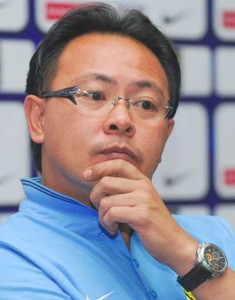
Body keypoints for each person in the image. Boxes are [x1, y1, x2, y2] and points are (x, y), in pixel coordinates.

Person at [0, 3, 234, 300]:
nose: (122, 120)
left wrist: (186, 254)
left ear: (166, 134)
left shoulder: (213, 238)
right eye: (95, 95)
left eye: (146, 103)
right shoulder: (12, 259)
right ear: (38, 119)